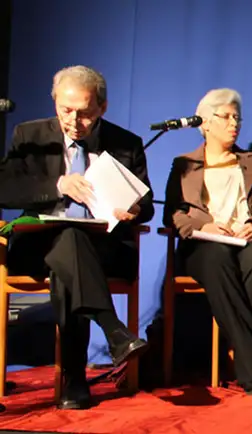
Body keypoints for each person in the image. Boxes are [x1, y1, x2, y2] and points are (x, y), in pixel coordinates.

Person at [0, 65, 152, 409]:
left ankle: (76, 379)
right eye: (65, 110)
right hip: (38, 246)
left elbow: (145, 203)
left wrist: (134, 210)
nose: (73, 121)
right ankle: (110, 334)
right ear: (54, 101)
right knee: (69, 241)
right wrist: (59, 184)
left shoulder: (126, 143)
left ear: (102, 107)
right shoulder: (30, 135)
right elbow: (6, 189)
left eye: (84, 113)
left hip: (102, 248)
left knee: (72, 252)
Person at [163, 88, 252, 396]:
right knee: (216, 255)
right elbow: (172, 214)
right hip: (204, 246)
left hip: (246, 241)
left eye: (237, 118)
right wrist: (204, 225)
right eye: (227, 117)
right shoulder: (184, 165)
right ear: (205, 123)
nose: (234, 124)